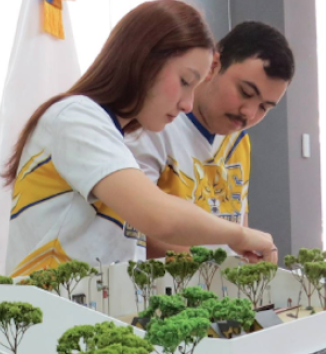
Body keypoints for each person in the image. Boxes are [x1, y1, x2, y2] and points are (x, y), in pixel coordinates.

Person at [3, 0, 277, 279]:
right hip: (46, 311)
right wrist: (238, 235)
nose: (187, 104)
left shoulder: (113, 132)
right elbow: (159, 217)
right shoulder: (76, 118)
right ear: (145, 60)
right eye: (185, 82)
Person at [125, 21, 295, 258]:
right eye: (245, 93)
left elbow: (237, 222)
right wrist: (219, 265)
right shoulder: (154, 126)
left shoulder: (238, 142)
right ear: (214, 65)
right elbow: (137, 230)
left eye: (264, 107)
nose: (249, 113)